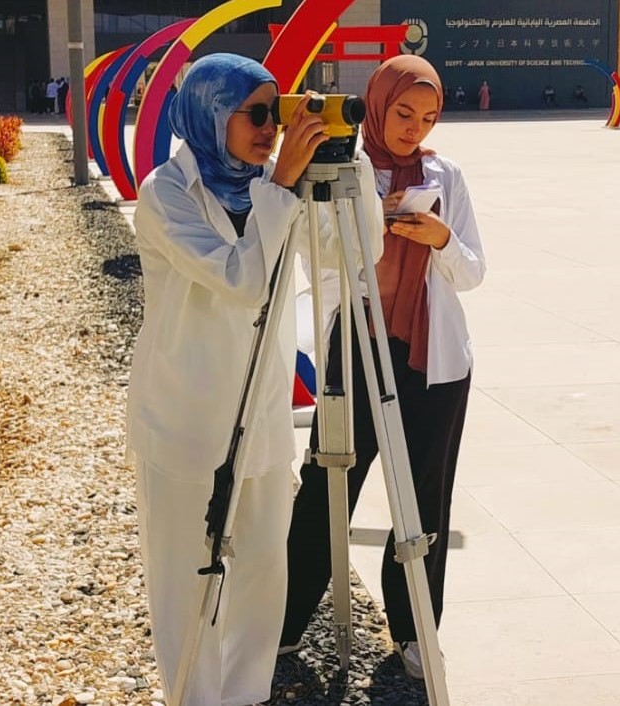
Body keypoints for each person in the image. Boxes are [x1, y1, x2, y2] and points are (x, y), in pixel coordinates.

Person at [127, 53, 381, 706]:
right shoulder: (166, 193)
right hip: (185, 415)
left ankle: (244, 695)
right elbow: (242, 280)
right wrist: (285, 184)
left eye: (278, 112)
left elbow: (357, 252)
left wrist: (347, 165)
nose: (272, 128)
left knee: (263, 574)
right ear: (212, 113)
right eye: (257, 114)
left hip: (261, 415)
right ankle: (195, 698)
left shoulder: (274, 185)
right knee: (186, 578)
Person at [280, 54, 486, 681]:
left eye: (427, 117)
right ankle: (283, 624)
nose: (413, 129)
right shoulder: (342, 169)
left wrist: (439, 238)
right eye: (402, 113)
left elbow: (473, 271)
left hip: (433, 363)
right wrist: (373, 218)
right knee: (327, 487)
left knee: (424, 499)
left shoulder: (445, 175)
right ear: (374, 104)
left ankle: (417, 628)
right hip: (357, 349)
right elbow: (315, 259)